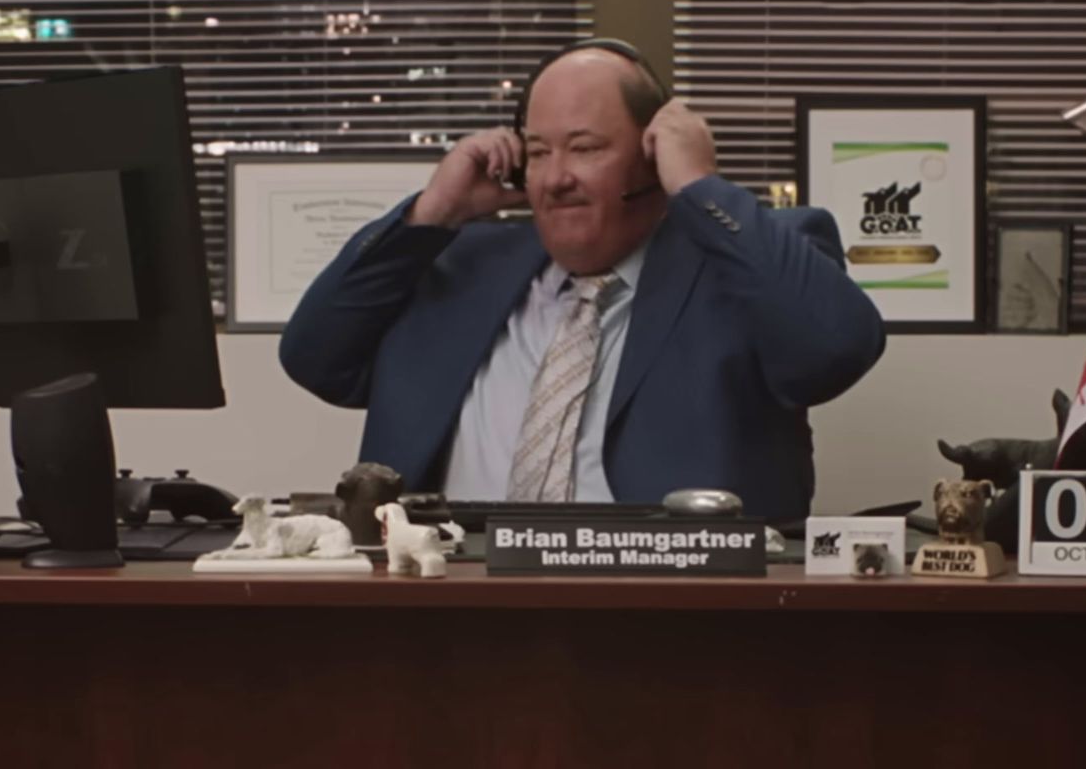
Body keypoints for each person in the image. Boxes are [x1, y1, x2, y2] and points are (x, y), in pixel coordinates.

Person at [280, 39, 885, 520]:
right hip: (451, 603)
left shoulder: (737, 262)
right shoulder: (458, 263)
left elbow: (834, 347)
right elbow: (315, 358)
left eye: (585, 148)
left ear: (653, 154)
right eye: (539, 151)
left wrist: (699, 188)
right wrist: (433, 213)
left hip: (676, 617)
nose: (555, 178)